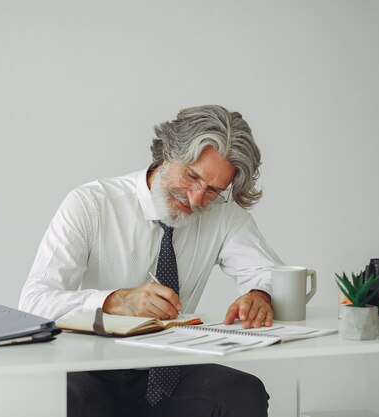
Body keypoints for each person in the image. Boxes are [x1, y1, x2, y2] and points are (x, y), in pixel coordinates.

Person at [19, 104, 283, 417]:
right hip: (88, 369)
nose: (197, 199)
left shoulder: (222, 215)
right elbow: (33, 304)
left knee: (241, 391)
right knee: (52, 399)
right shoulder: (91, 203)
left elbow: (272, 275)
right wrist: (116, 301)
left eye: (213, 190)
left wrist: (260, 294)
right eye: (191, 177)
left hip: (171, 367)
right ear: (168, 152)